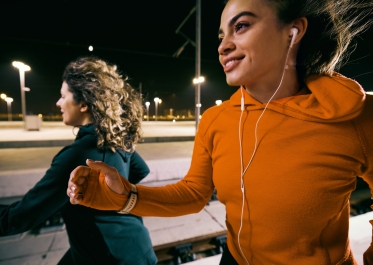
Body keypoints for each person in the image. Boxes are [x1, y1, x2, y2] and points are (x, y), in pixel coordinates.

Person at [68, 1, 373, 264]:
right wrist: (125, 195)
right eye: (221, 35)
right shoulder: (216, 120)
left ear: (292, 32)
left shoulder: (354, 116)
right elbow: (193, 194)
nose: (223, 45)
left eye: (241, 26)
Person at [0, 56, 157, 265]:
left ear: (83, 103)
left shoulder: (77, 156)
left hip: (109, 257)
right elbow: (140, 170)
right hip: (137, 248)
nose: (58, 103)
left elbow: (17, 219)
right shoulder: (115, 139)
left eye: (63, 96)